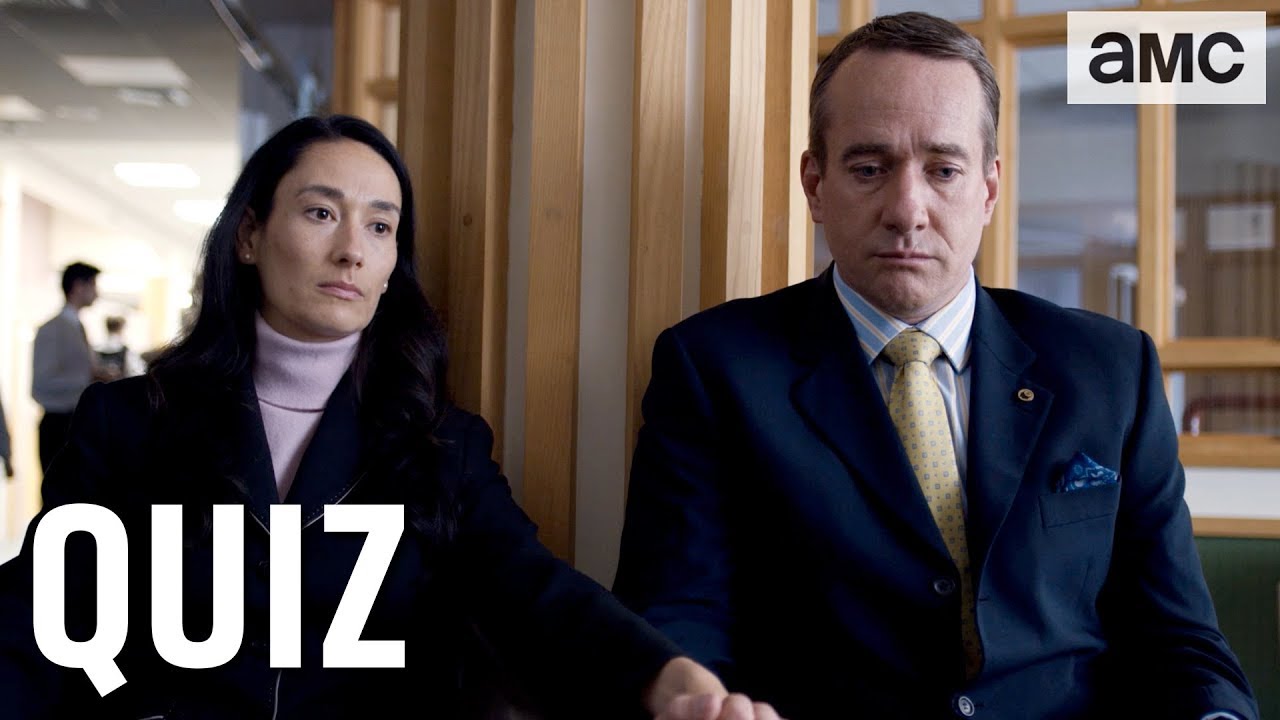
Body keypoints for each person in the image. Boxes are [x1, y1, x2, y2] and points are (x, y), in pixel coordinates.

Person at [0, 116, 781, 720]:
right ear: (249, 236)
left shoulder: (443, 447)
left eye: (380, 226)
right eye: (320, 213)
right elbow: (44, 617)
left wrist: (666, 675)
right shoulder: (127, 423)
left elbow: (532, 590)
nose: (352, 250)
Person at [613, 12, 1257, 720]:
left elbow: (1179, 638)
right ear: (815, 184)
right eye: (869, 169)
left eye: (944, 170)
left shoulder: (1110, 370)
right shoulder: (713, 368)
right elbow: (679, 618)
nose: (907, 210)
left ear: (988, 189)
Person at [31, 261, 115, 471]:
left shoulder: (77, 326)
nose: (97, 293)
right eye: (93, 285)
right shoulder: (52, 329)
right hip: (58, 425)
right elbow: (41, 382)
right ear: (78, 286)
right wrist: (89, 378)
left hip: (76, 422)